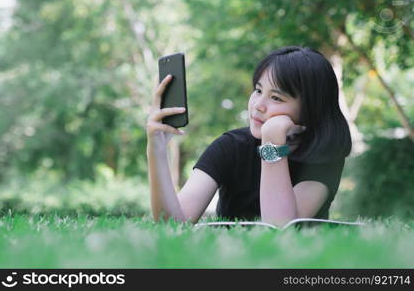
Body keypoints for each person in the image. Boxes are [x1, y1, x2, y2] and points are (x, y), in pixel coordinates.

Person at [146, 46, 352, 227]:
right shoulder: (230, 147)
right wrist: (156, 147)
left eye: (276, 97)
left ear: (311, 108)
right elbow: (172, 223)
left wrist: (272, 141)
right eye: (258, 90)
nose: (257, 106)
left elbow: (280, 227)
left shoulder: (324, 154)